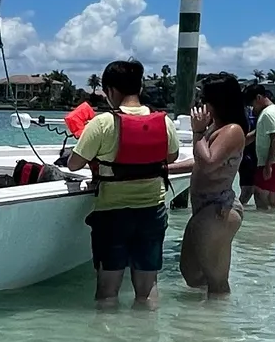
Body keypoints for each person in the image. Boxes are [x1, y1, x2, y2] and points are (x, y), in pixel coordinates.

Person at [63, 58, 183, 309]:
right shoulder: (163, 122)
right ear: (139, 88)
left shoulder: (102, 123)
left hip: (112, 215)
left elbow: (74, 164)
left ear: (110, 91)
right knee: (147, 291)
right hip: (152, 212)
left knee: (107, 293)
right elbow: (171, 156)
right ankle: (146, 341)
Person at [173, 72, 247, 297]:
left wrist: (196, 132)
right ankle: (204, 324)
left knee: (217, 282)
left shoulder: (233, 130)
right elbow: (198, 161)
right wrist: (162, 169)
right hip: (204, 209)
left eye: (204, 99)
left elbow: (207, 163)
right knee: (191, 274)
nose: (200, 104)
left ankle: (217, 326)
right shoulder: (215, 129)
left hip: (219, 209)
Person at [244, 82, 275, 210]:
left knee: (260, 194)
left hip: (271, 162)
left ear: (258, 98)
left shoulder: (268, 113)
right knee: (271, 195)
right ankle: (272, 222)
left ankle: (264, 225)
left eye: (252, 105)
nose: (252, 109)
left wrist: (268, 164)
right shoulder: (274, 111)